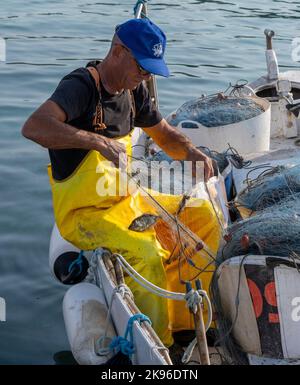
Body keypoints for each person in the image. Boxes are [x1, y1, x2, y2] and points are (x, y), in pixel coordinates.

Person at [22, 18, 218, 350]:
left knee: (202, 216)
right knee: (145, 254)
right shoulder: (81, 87)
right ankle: (159, 343)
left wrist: (196, 156)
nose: (147, 76)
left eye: (151, 70)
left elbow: (165, 135)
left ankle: (187, 322)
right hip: (86, 213)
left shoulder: (134, 90)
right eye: (143, 67)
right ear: (118, 52)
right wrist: (94, 141)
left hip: (129, 200)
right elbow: (34, 127)